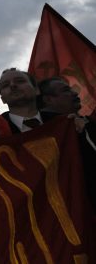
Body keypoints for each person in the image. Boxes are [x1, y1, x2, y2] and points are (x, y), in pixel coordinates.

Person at [37, 76, 96, 209]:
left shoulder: (87, 123)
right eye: (65, 90)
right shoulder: (40, 133)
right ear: (48, 99)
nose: (75, 93)